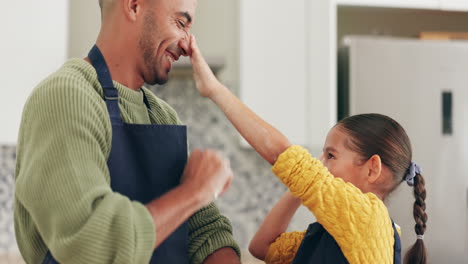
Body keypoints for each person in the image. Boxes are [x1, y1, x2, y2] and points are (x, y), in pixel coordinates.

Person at [14, 0, 241, 263]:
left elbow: (206, 232)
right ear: (133, 6)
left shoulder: (162, 115)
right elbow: (89, 244)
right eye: (180, 23)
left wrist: (199, 199)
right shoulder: (65, 96)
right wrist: (193, 193)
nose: (187, 44)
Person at [189, 35, 428, 264]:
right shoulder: (340, 230)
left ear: (372, 168)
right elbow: (262, 247)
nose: (321, 163)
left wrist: (215, 90)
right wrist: (300, 186)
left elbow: (283, 155)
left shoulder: (369, 218)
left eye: (331, 155)